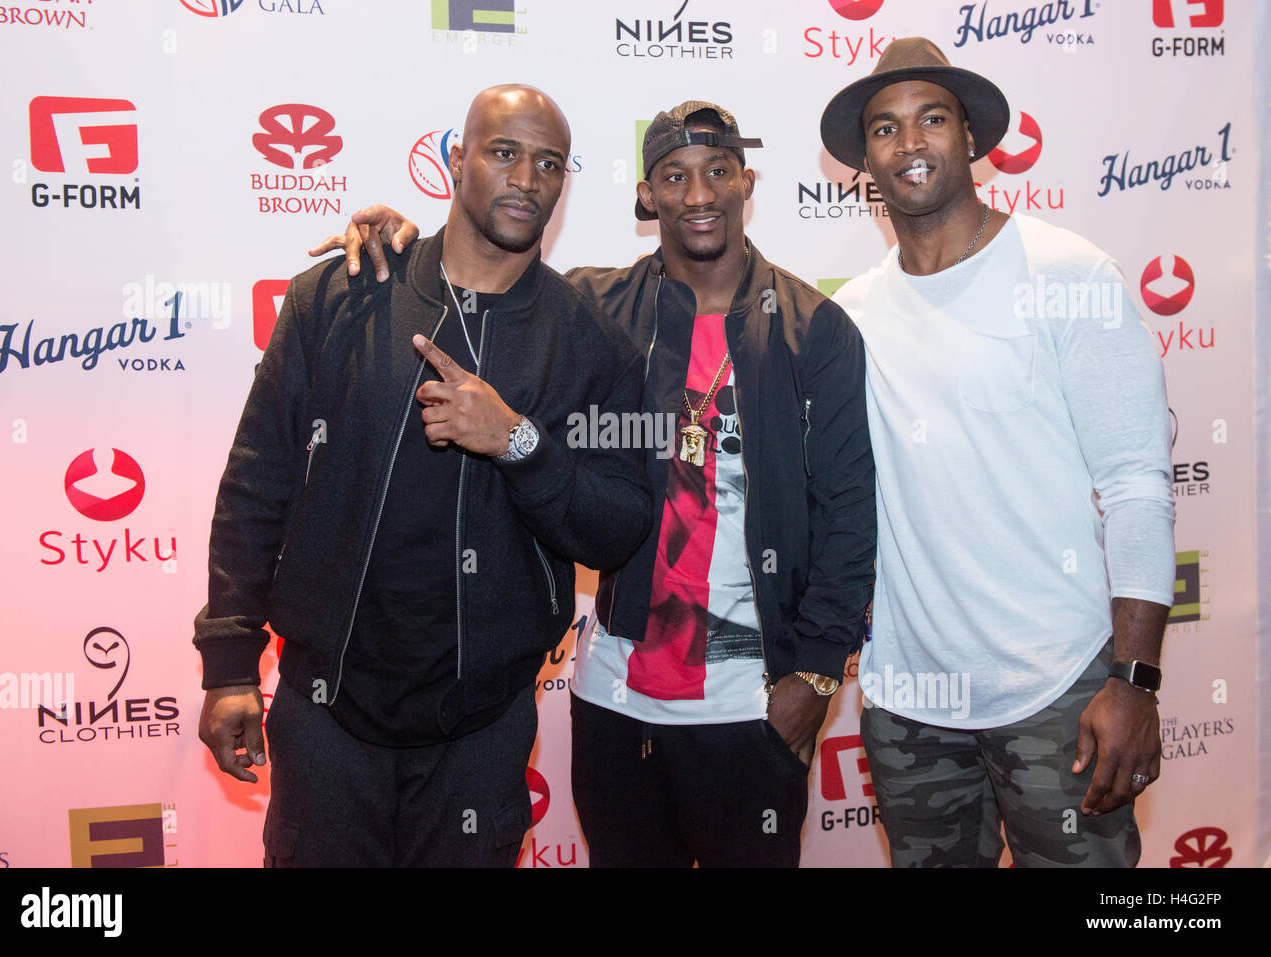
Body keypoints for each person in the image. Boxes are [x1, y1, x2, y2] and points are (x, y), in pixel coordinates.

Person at [316, 101, 876, 867]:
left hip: (750, 701)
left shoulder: (815, 327)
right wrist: (394, 236)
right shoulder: (589, 305)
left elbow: (848, 510)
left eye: (719, 172)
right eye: (675, 176)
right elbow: (481, 275)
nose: (700, 194)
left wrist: (814, 674)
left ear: (749, 182)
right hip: (614, 700)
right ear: (647, 197)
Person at [193, 84, 652, 867]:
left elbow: (620, 524)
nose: (527, 179)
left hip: (479, 732)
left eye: (549, 164)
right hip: (327, 713)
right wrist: (230, 663)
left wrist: (519, 443)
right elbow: (256, 484)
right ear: (455, 161)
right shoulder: (342, 295)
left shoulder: (589, 341)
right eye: (504, 153)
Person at [820, 38, 1175, 866]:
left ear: (971, 137)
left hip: (1059, 691)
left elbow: (1135, 485)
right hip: (910, 706)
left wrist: (1134, 679)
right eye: (885, 128)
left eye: (931, 119)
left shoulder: (1069, 276)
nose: (909, 144)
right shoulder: (855, 316)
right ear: (864, 157)